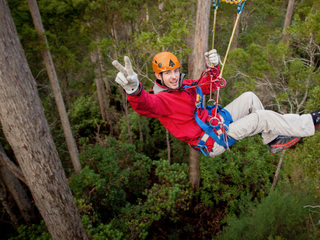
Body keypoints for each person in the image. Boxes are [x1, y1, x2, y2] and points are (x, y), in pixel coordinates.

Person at [112, 51, 320, 157]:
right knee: (262, 118)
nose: (174, 77)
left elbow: (208, 85)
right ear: (158, 76)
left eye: (175, 71)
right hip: (212, 140)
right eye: (167, 73)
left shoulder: (184, 85)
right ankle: (310, 122)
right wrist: (133, 89)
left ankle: (273, 140)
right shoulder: (160, 101)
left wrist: (213, 67)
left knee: (249, 97)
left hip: (216, 123)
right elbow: (144, 105)